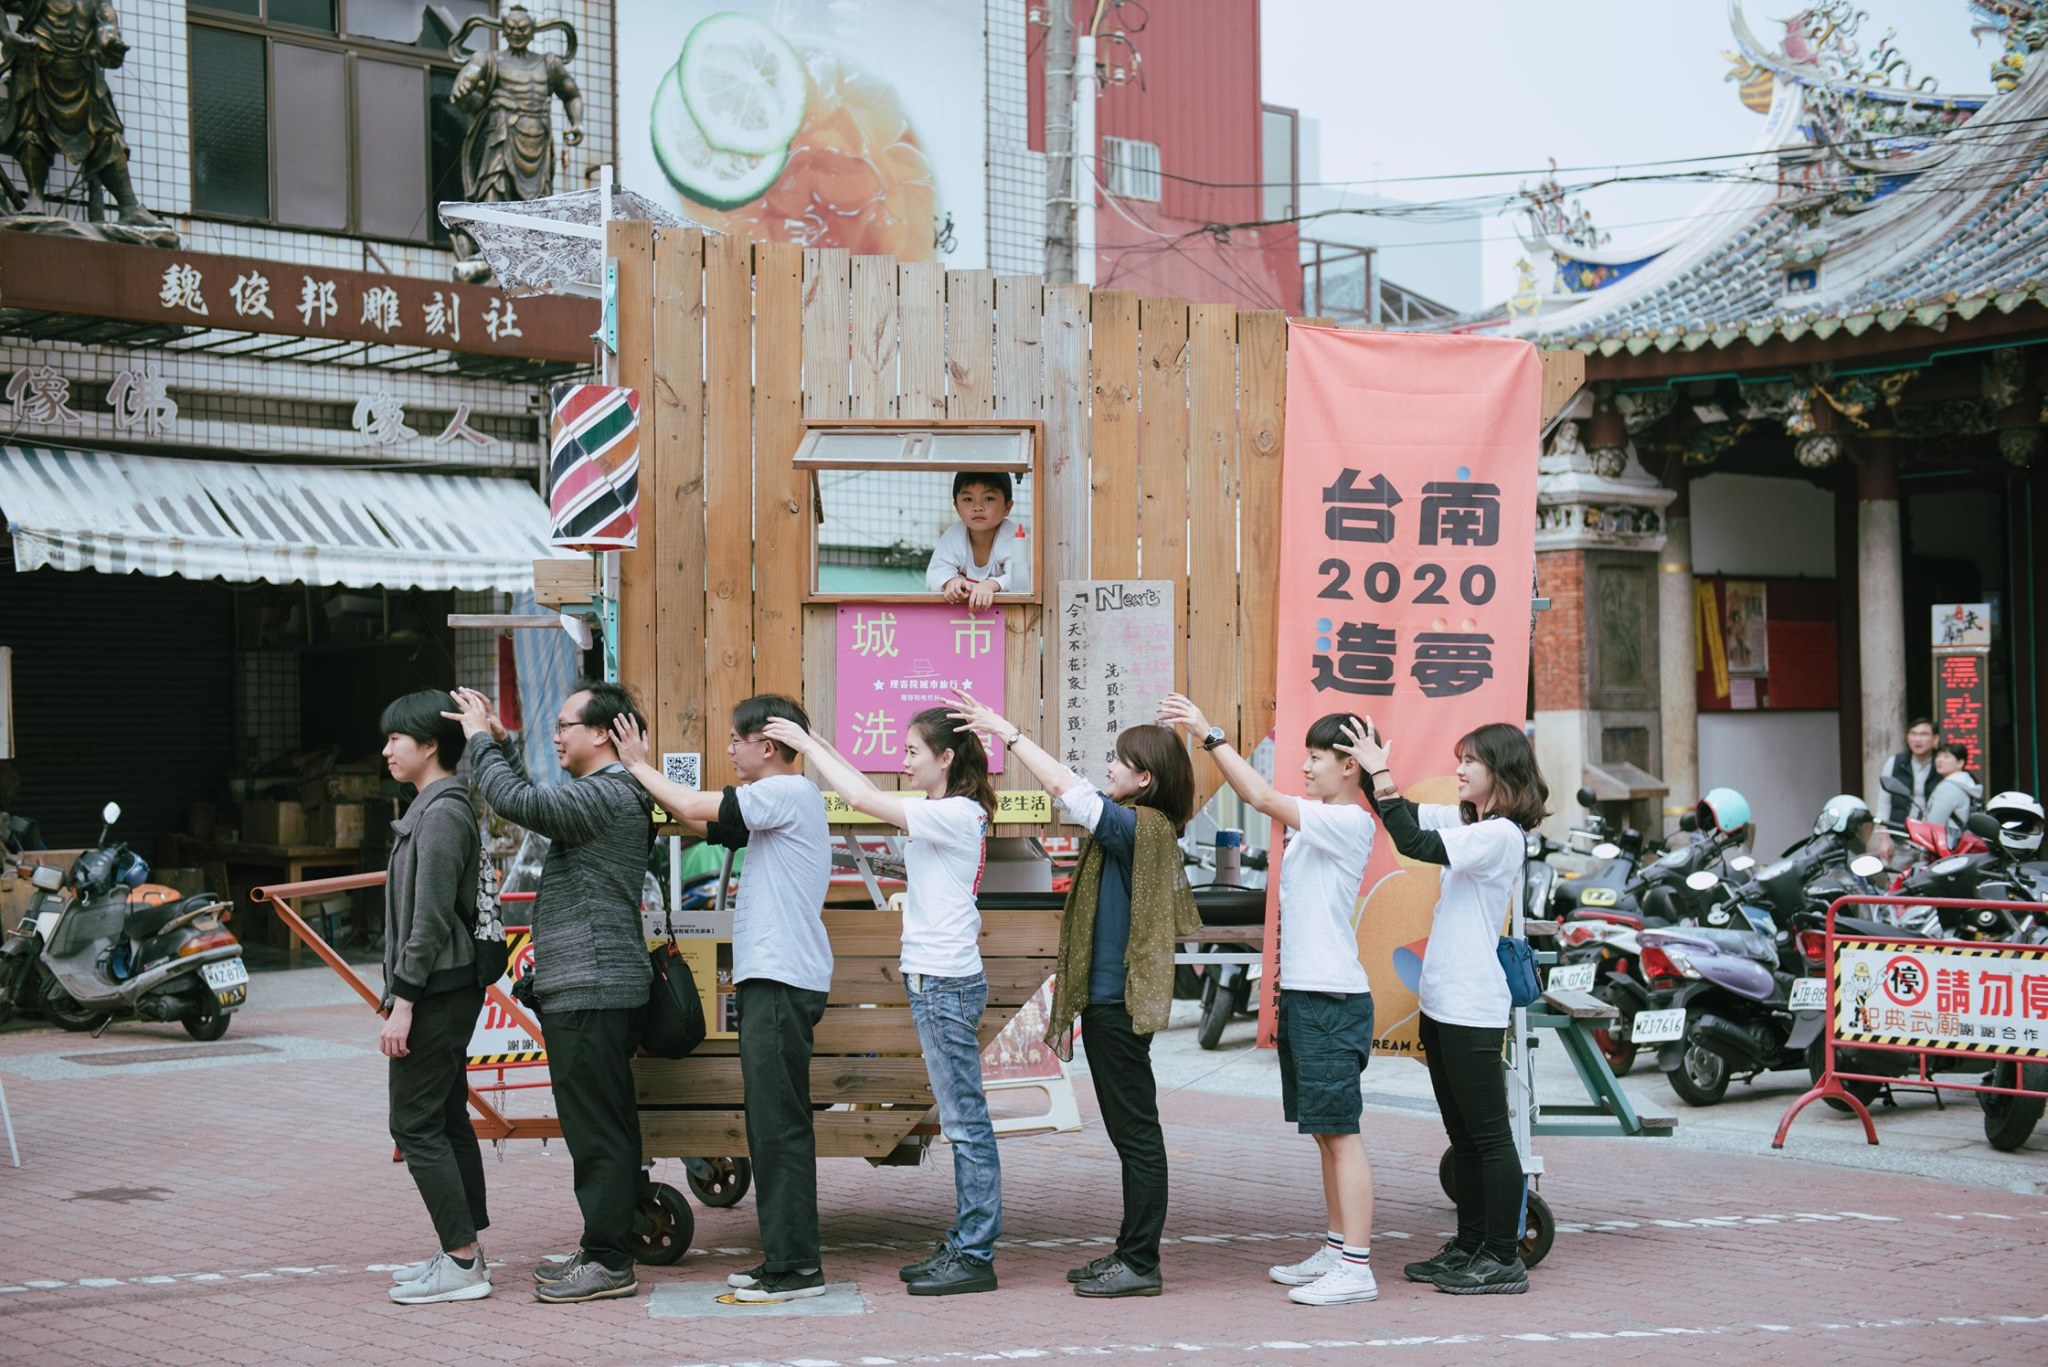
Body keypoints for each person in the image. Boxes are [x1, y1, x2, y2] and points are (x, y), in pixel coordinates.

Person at [950, 690, 1196, 1299]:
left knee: (1137, 1135)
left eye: (1118, 761)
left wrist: (1007, 731)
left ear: (1144, 778)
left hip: (1119, 1004)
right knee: (1132, 1133)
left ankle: (1140, 1262)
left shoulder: (1141, 826)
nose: (1108, 768)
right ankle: (1130, 1252)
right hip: (1112, 1003)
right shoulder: (1140, 827)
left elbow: (1069, 791)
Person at [759, 708, 1003, 1297]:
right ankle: (969, 1243)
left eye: (914, 751)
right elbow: (869, 792)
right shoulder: (950, 813)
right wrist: (816, 740)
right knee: (963, 1119)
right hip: (936, 980)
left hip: (945, 982)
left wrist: (809, 750)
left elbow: (867, 800)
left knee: (966, 1123)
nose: (905, 760)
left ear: (946, 758)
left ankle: (974, 1252)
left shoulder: (951, 814)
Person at [612, 696, 834, 1304]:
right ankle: (783, 1262)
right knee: (770, 1125)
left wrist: (635, 762)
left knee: (780, 1127)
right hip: (780, 978)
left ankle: (797, 1270)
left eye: (736, 741)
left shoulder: (786, 792)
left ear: (767, 745)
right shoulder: (779, 802)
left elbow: (688, 803)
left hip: (783, 981)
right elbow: (697, 822)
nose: (729, 751)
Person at [1161, 694, 1380, 1307]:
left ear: (1350, 765)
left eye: (1316, 757)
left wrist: (1209, 734)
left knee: (1341, 1133)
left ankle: (1357, 1266)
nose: (1305, 767)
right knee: (1322, 1132)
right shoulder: (1316, 814)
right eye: (1305, 755)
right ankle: (1337, 1249)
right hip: (1308, 993)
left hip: (1333, 997)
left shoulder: (1350, 820)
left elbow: (1258, 797)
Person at [446, 681, 653, 1305]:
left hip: (592, 986)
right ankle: (606, 1244)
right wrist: (503, 749)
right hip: (594, 985)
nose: (556, 734)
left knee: (596, 1131)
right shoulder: (608, 793)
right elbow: (533, 799)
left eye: (566, 725)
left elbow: (518, 802)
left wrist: (481, 739)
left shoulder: (607, 793)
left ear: (604, 733)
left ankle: (611, 1262)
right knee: (606, 1123)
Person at [1337, 717, 1548, 1297]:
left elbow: (1413, 843)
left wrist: (1378, 772)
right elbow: (1398, 814)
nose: (1458, 770)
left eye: (1470, 761)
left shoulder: (1501, 835)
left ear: (1500, 771)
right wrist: (1367, 765)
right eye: (1457, 759)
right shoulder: (1469, 822)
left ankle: (1501, 1257)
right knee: (1464, 1135)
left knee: (1488, 1138)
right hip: (1442, 1001)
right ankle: (1471, 1243)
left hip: (1473, 1005)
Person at [378, 690, 491, 1306]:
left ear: (430, 745)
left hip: (437, 992)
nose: (388, 748)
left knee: (414, 1123)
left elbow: (427, 923)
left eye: (398, 737)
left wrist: (403, 1002)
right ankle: (462, 1249)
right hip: (443, 989)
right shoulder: (432, 806)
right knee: (445, 1120)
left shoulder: (443, 813)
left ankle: (463, 1260)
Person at [926, 471, 1030, 612]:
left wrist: (990, 585)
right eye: (968, 499)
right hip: (960, 619)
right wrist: (950, 583)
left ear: (1007, 506)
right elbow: (935, 574)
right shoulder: (952, 537)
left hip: (1007, 617)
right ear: (956, 507)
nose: (978, 507)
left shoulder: (1014, 537)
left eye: (989, 498)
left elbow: (1020, 580)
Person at [1883, 719, 1940, 824]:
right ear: (1907, 738)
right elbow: (1884, 802)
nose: (1918, 739)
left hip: (1932, 831)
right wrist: (1883, 837)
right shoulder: (1895, 762)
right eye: (1913, 734)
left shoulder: (1942, 764)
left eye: (1924, 734)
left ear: (1935, 739)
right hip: (1900, 829)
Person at [1923, 743, 1980, 836]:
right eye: (1938, 756)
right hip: (1960, 843)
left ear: (1960, 763)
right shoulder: (1965, 783)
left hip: (1946, 844)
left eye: (1946, 757)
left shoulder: (1949, 787)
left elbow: (1934, 824)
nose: (1940, 760)